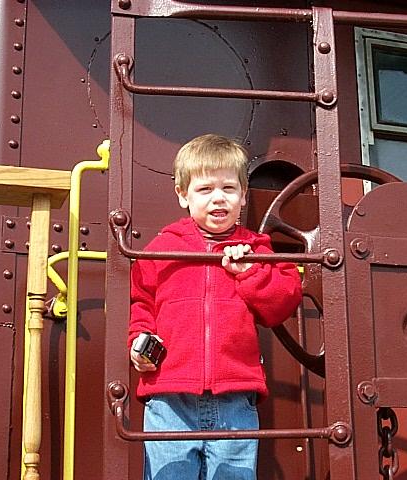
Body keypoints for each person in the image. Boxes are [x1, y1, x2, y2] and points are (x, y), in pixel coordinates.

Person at [129, 134, 303, 480]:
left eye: (228, 188)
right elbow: (140, 301)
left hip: (235, 395)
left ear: (243, 195)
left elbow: (282, 303)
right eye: (205, 189)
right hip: (169, 395)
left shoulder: (257, 248)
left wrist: (249, 272)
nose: (218, 198)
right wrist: (138, 340)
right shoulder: (162, 248)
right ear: (183, 195)